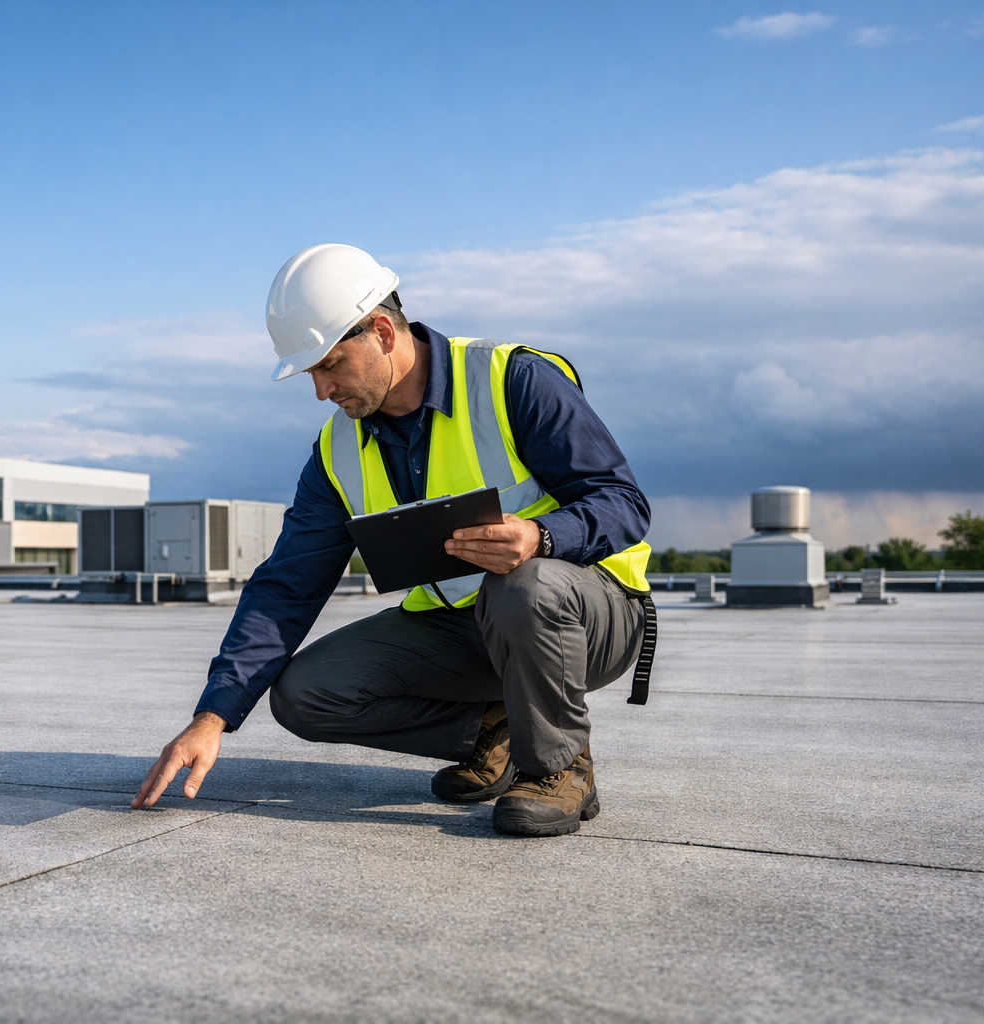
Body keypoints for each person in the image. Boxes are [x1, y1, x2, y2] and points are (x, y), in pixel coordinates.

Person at [131, 243, 654, 836]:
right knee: (305, 693)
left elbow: (623, 503)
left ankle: (558, 767)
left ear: (382, 331)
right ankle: (496, 732)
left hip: (588, 618)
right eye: (311, 374)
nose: (322, 391)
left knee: (525, 585)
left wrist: (541, 536)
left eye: (330, 365)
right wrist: (213, 716)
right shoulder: (338, 449)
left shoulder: (513, 380)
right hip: (468, 628)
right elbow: (288, 585)